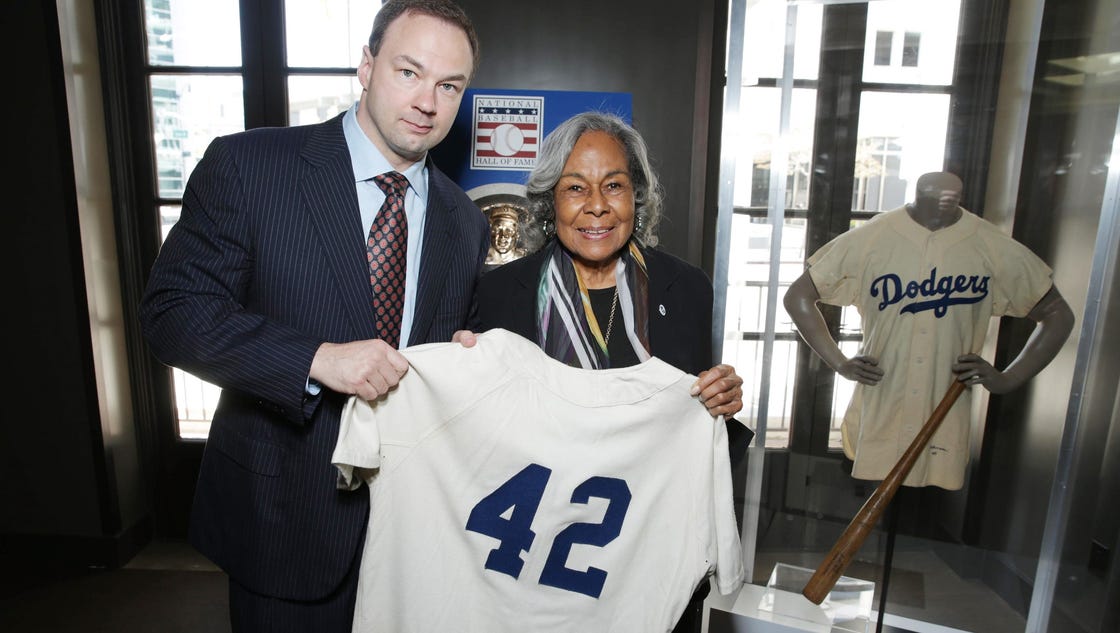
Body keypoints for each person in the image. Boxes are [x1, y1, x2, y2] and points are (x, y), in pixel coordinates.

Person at [138, 1, 487, 630]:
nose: (427, 101)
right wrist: (316, 359)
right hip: (282, 524)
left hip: (412, 536)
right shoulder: (250, 168)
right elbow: (173, 313)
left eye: (449, 85)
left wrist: (465, 361)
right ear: (367, 64)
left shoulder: (465, 223)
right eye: (409, 72)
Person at [458, 111, 746, 633]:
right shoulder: (499, 294)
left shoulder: (685, 288)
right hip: (535, 554)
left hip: (647, 554)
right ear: (550, 202)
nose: (596, 205)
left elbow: (690, 421)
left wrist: (719, 397)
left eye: (614, 185)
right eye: (575, 187)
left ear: (637, 196)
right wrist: (462, 375)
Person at [783, 171, 1074, 490]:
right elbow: (798, 296)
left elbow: (1058, 314)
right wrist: (839, 362)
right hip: (882, 397)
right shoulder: (874, 236)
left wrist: (1008, 379)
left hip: (946, 406)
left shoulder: (989, 244)